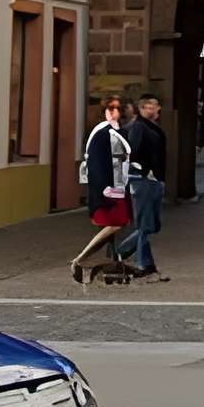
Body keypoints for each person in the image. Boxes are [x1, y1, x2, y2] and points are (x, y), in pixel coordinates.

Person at [71, 95, 133, 283]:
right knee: (117, 223)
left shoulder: (115, 131)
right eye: (110, 108)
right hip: (109, 189)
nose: (113, 111)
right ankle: (79, 259)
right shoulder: (102, 133)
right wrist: (104, 189)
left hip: (117, 186)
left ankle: (115, 263)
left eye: (116, 108)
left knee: (114, 227)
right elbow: (97, 165)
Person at [119, 91, 169, 281]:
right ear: (142, 108)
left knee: (151, 225)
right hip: (144, 180)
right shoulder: (139, 127)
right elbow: (134, 152)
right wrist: (146, 172)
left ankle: (121, 252)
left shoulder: (150, 126)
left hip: (152, 179)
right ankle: (143, 264)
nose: (156, 109)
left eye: (156, 105)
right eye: (151, 106)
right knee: (146, 224)